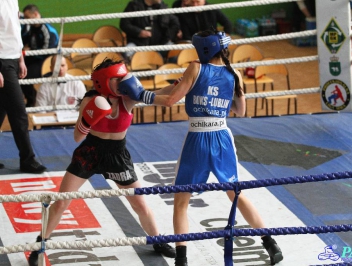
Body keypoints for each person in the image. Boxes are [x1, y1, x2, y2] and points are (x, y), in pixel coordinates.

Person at [117, 29, 284, 266]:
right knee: (236, 194)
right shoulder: (233, 72)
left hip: (198, 137)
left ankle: (182, 260)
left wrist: (141, 95)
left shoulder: (195, 68)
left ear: (204, 49)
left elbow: (172, 99)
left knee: (181, 200)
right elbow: (241, 111)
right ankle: (270, 244)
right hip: (222, 137)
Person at [27, 58, 175, 266]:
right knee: (62, 201)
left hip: (117, 154)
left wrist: (180, 84)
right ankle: (40, 242)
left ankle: (157, 241)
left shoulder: (128, 98)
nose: (124, 80)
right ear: (105, 82)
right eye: (118, 78)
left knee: (140, 203)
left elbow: (161, 97)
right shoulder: (90, 101)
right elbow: (77, 137)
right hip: (90, 151)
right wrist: (89, 119)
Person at [0, 0, 47, 174]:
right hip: (2, 62)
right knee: (19, 111)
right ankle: (28, 160)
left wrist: (20, 58)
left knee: (2, 109)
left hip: (12, 57)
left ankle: (27, 159)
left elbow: (15, 30)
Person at [21, 4, 59, 107]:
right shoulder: (32, 27)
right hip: (34, 57)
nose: (26, 20)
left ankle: (32, 101)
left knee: (26, 75)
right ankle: (28, 98)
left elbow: (47, 51)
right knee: (16, 68)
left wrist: (31, 50)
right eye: (25, 18)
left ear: (36, 14)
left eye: (28, 18)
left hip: (46, 60)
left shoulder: (47, 29)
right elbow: (25, 41)